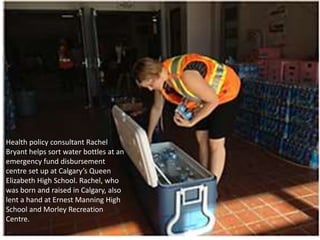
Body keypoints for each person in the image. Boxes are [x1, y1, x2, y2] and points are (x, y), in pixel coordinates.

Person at [132, 53, 241, 183]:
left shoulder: (187, 76)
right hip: (203, 97)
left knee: (215, 142)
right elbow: (157, 108)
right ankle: (205, 177)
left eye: (150, 85)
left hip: (225, 91)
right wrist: (149, 136)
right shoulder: (162, 78)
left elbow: (213, 101)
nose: (150, 89)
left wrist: (191, 122)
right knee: (201, 137)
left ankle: (212, 187)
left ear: (155, 76)